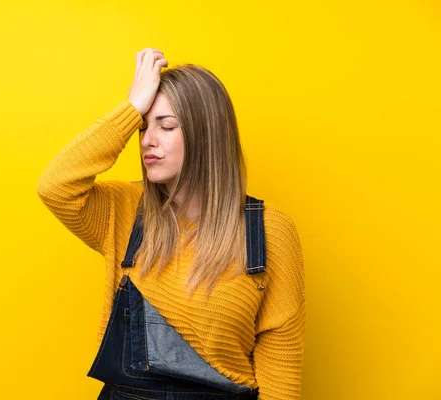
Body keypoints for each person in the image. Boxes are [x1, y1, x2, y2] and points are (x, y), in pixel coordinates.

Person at [37, 48, 306, 400]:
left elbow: (280, 377)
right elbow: (55, 186)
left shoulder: (269, 232)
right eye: (143, 128)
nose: (148, 140)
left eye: (166, 126)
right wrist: (132, 107)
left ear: (206, 134)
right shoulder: (125, 212)